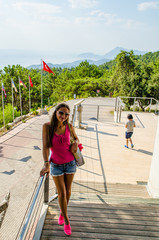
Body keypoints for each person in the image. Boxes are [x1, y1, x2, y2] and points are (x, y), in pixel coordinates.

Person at [40, 103, 79, 236]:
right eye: (61, 113)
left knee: (68, 191)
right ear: (56, 112)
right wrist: (46, 164)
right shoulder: (47, 127)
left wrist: (75, 143)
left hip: (70, 163)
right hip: (56, 165)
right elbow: (45, 147)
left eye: (66, 114)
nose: (63, 116)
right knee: (61, 193)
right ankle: (67, 221)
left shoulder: (69, 126)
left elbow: (77, 138)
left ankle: (62, 213)